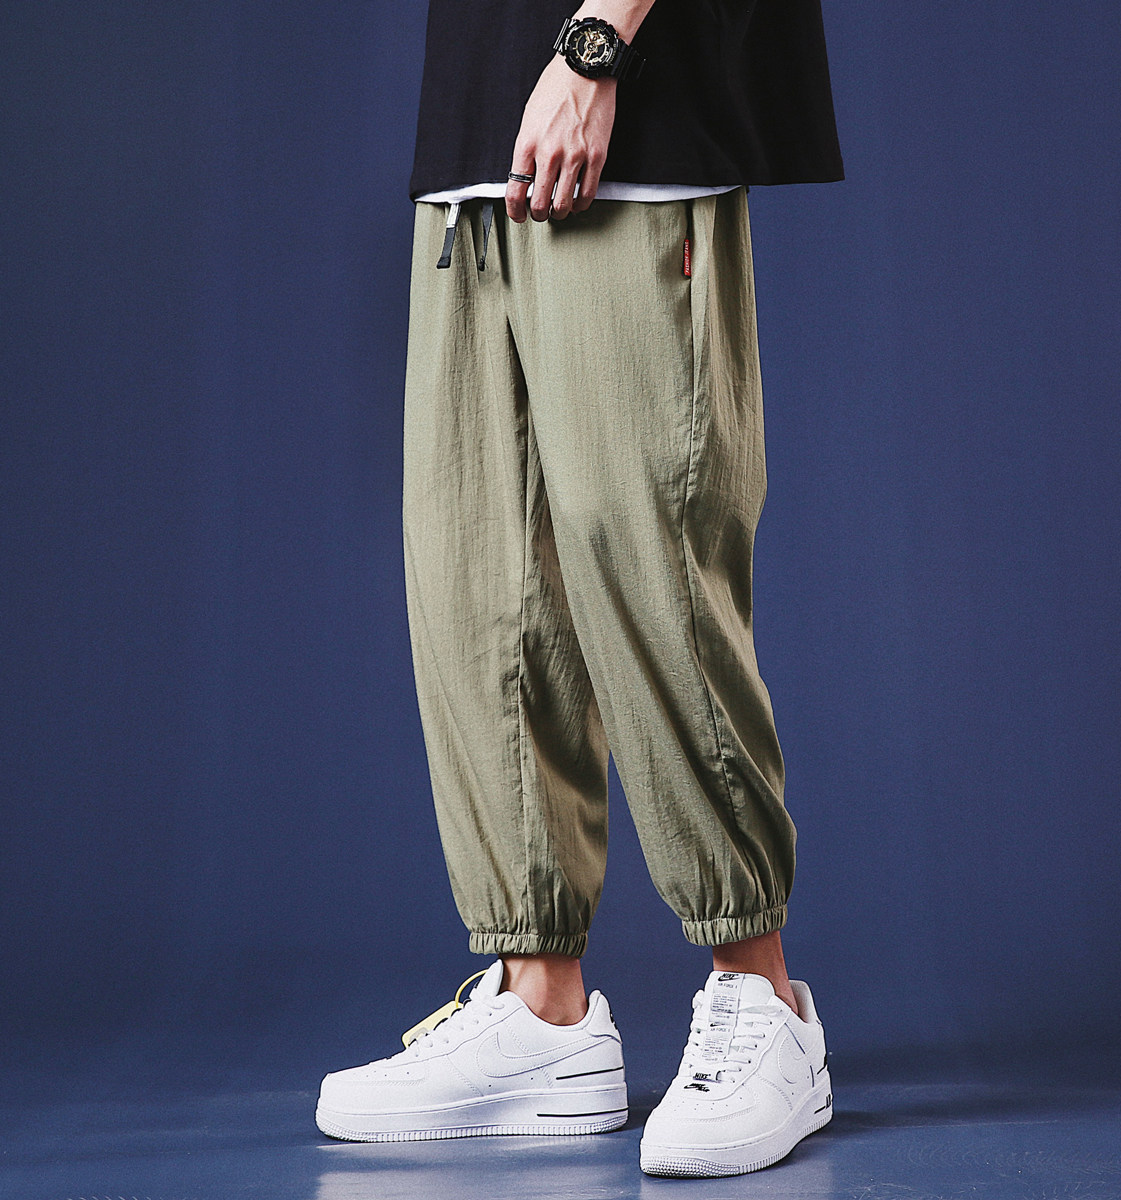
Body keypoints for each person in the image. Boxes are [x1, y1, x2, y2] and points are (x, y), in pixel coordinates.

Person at [315, 0, 843, 1178]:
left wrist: (597, 42)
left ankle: (763, 999)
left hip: (630, 106)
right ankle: (540, 1010)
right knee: (481, 571)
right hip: (478, 125)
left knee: (647, 548)